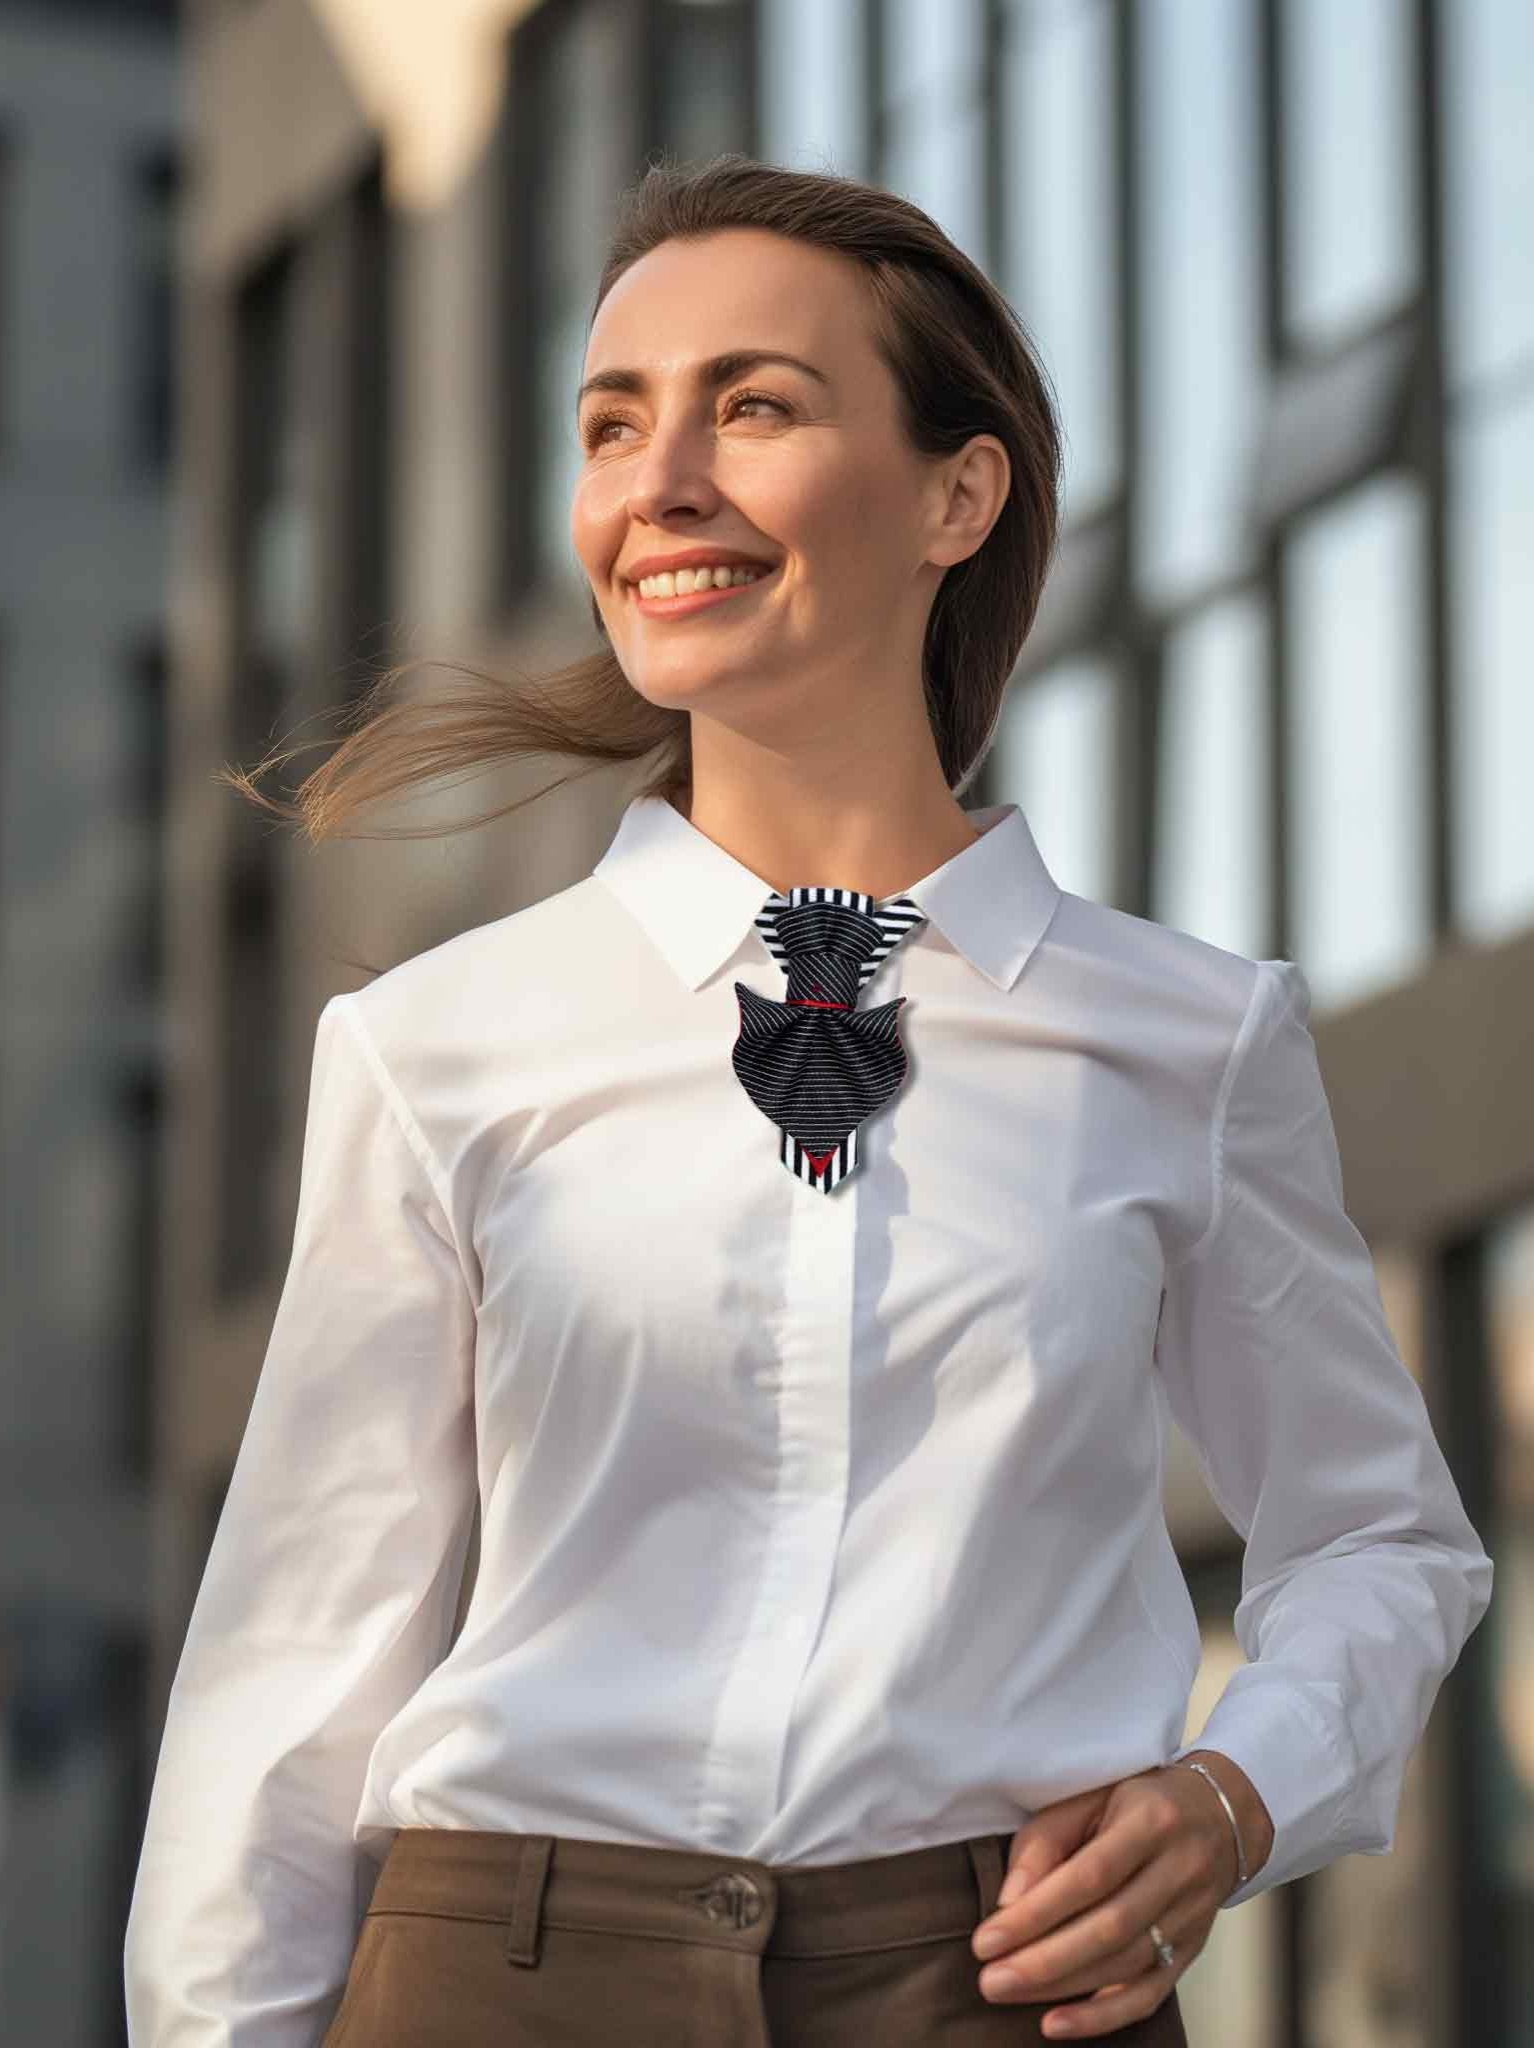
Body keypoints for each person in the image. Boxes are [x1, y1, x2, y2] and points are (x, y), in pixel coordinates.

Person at [123, 153, 1493, 2047]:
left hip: (998, 1990)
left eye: (752, 404)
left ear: (958, 491)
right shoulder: (437, 1046)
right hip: (495, 1980)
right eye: (613, 425)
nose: (659, 480)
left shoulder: (1190, 1040)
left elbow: (1375, 1537)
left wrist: (1237, 1788)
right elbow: (293, 1657)